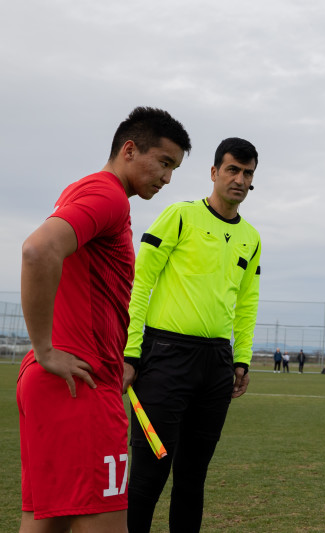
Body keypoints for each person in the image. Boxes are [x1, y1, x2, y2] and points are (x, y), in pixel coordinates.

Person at [16, 107, 191, 532]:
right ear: (129, 150)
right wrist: (45, 349)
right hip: (82, 385)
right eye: (163, 163)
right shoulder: (108, 195)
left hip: (57, 383)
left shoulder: (82, 189)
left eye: (174, 169)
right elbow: (37, 251)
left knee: (46, 524)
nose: (167, 178)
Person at [123, 137, 261, 533]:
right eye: (232, 169)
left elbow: (247, 303)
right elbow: (140, 282)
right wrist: (132, 353)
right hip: (165, 357)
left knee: (192, 479)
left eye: (247, 173)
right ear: (214, 172)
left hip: (216, 364)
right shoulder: (179, 216)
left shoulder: (252, 238)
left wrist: (241, 358)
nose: (239, 179)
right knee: (150, 477)